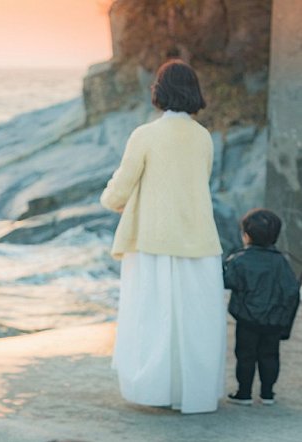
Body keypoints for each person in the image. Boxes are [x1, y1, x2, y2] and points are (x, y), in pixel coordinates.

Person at [100, 59, 225, 413]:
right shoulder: (203, 137)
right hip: (199, 242)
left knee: (153, 321)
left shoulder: (145, 135)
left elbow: (120, 188)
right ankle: (193, 394)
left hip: (153, 242)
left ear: (159, 91)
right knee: (195, 323)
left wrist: (110, 200)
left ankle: (156, 392)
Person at [223, 209, 300, 406]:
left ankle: (244, 393)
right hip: (273, 322)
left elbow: (227, 280)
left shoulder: (239, 260)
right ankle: (267, 394)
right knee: (270, 356)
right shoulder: (283, 261)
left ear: (246, 236)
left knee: (245, 356)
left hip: (247, 319)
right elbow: (291, 290)